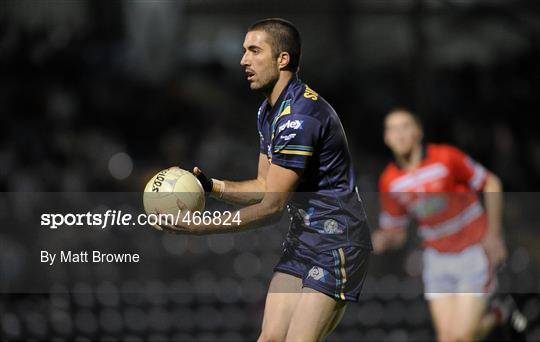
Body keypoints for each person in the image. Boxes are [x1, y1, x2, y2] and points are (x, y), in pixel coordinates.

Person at [159, 18, 372, 341]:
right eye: (244, 51)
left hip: (337, 241)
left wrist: (199, 226)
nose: (243, 60)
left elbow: (272, 207)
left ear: (282, 59)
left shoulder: (300, 118)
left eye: (254, 50)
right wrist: (214, 187)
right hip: (304, 241)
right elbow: (264, 185)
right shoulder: (268, 112)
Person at [372, 108, 526, 341]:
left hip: (473, 252)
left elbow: (491, 183)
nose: (400, 134)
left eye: (405, 127)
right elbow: (397, 232)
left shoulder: (445, 158)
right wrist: (381, 240)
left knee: (463, 336)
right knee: (447, 337)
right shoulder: (389, 181)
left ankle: (498, 314)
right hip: (437, 259)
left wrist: (494, 235)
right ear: (386, 138)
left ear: (418, 132)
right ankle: (499, 313)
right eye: (393, 129)